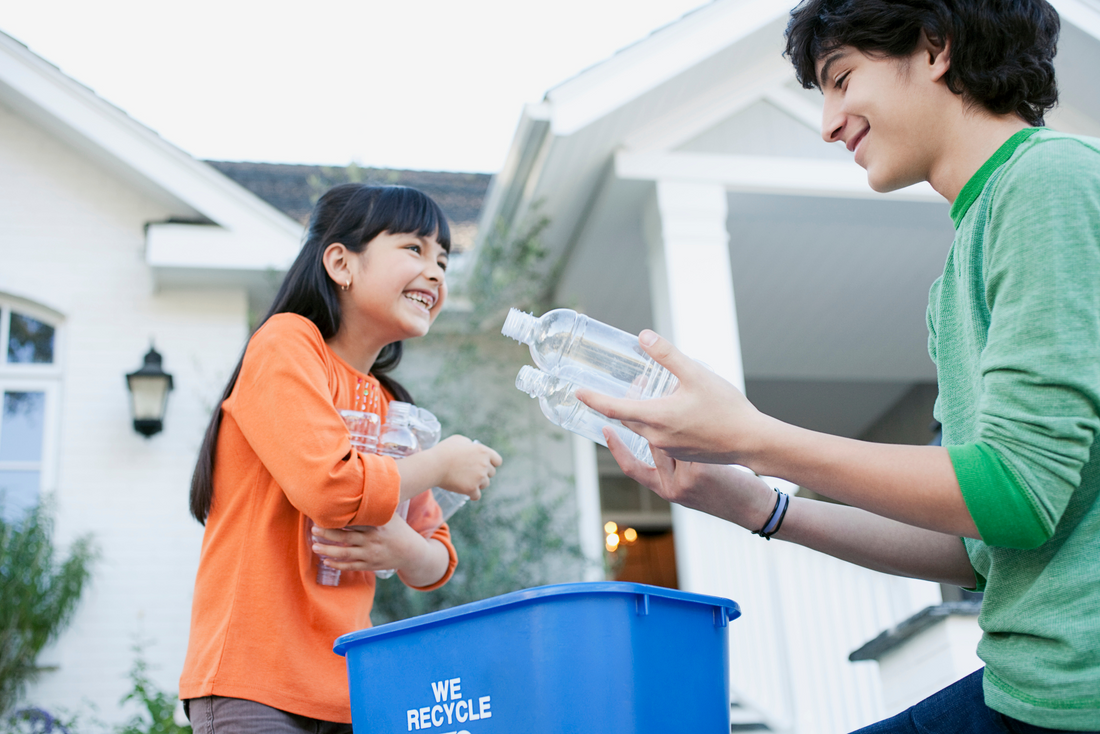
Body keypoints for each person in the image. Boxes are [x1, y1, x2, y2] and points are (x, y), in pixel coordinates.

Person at [579, 1, 1100, 731]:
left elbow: (1016, 493)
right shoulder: (959, 269)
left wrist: (751, 434)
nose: (827, 123)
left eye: (842, 78)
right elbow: (979, 545)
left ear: (937, 46)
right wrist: (757, 504)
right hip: (1025, 688)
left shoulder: (1052, 182)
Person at [179, 184, 503, 733]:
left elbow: (435, 562)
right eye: (414, 250)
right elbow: (331, 489)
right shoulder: (286, 344)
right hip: (253, 683)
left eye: (443, 260)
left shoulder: (394, 407)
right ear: (340, 262)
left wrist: (399, 544)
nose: (436, 273)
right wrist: (442, 463)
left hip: (349, 693)